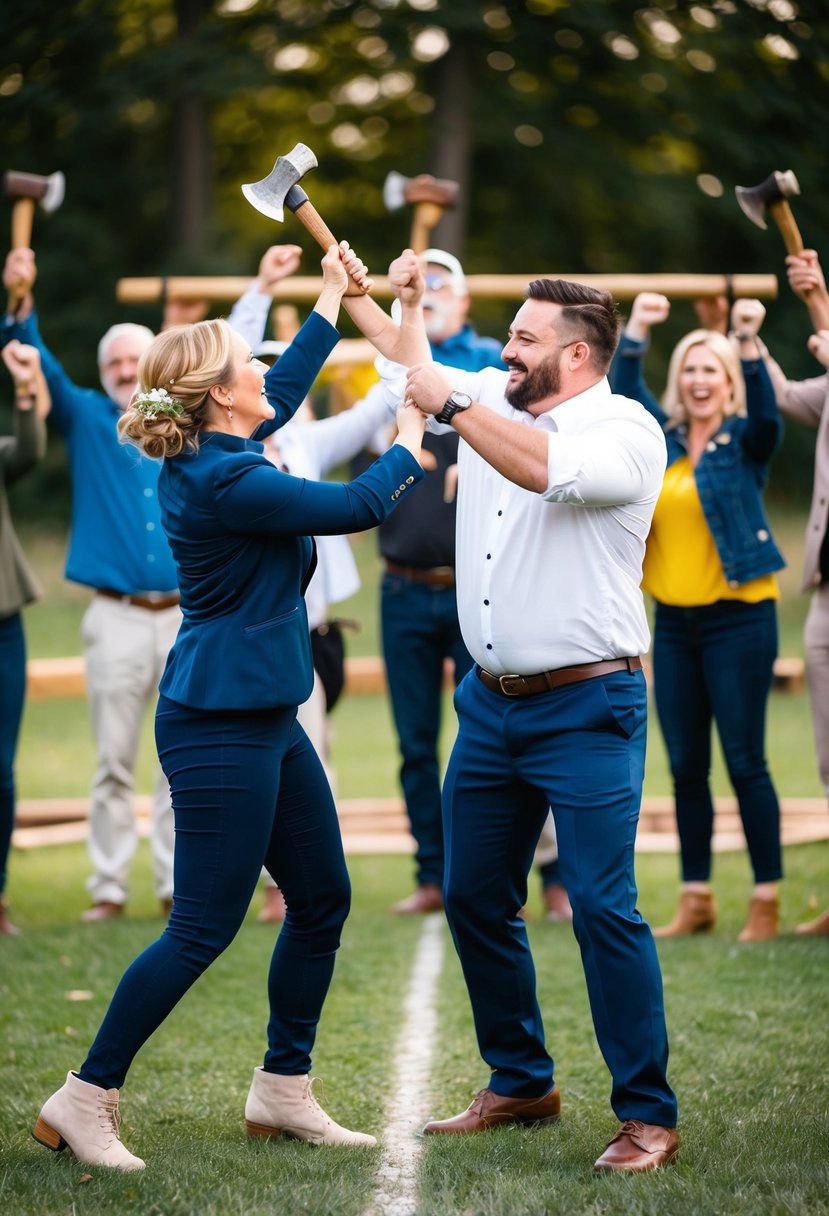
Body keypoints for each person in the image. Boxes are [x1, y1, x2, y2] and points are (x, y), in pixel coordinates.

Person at [31, 241, 429, 1170]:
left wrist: (328, 295)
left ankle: (281, 1093)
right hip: (218, 726)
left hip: (266, 716)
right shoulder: (231, 478)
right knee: (203, 926)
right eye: (246, 363)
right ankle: (82, 1100)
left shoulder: (226, 450)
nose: (264, 368)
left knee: (321, 896)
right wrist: (412, 429)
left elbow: (282, 389)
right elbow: (362, 503)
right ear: (217, 396)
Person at [398, 276, 679, 1173]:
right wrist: (364, 290)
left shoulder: (626, 431)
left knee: (601, 905)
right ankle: (520, 1078)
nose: (504, 350)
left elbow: (540, 470)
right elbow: (402, 358)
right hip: (488, 705)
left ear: (575, 354)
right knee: (474, 892)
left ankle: (647, 1115)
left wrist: (452, 400)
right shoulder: (489, 394)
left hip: (587, 706)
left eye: (522, 338)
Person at [611, 292, 785, 942]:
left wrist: (744, 339)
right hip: (674, 627)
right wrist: (637, 331)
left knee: (744, 761)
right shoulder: (659, 442)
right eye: (689, 368)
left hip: (740, 620)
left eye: (710, 369)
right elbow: (625, 391)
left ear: (728, 381)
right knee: (685, 765)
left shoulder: (746, 440)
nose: (698, 379)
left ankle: (764, 898)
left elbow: (769, 415)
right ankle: (696, 896)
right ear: (678, 380)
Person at [377, 249, 507, 914]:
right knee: (413, 741)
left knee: (494, 730)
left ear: (462, 300)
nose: (427, 295)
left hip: (470, 587)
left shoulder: (491, 369)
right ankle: (431, 874)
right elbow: (396, 355)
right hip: (401, 585)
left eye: (439, 287)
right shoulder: (394, 374)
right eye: (419, 288)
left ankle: (527, 876)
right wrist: (399, 306)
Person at [761, 248, 829, 936]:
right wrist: (748, 343)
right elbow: (781, 396)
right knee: (827, 750)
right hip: (824, 595)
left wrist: (816, 301)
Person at [0, 340, 49, 936]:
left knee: (2, 773)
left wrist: (24, 387)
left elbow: (31, 447)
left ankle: (1, 894)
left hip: (4, 629)